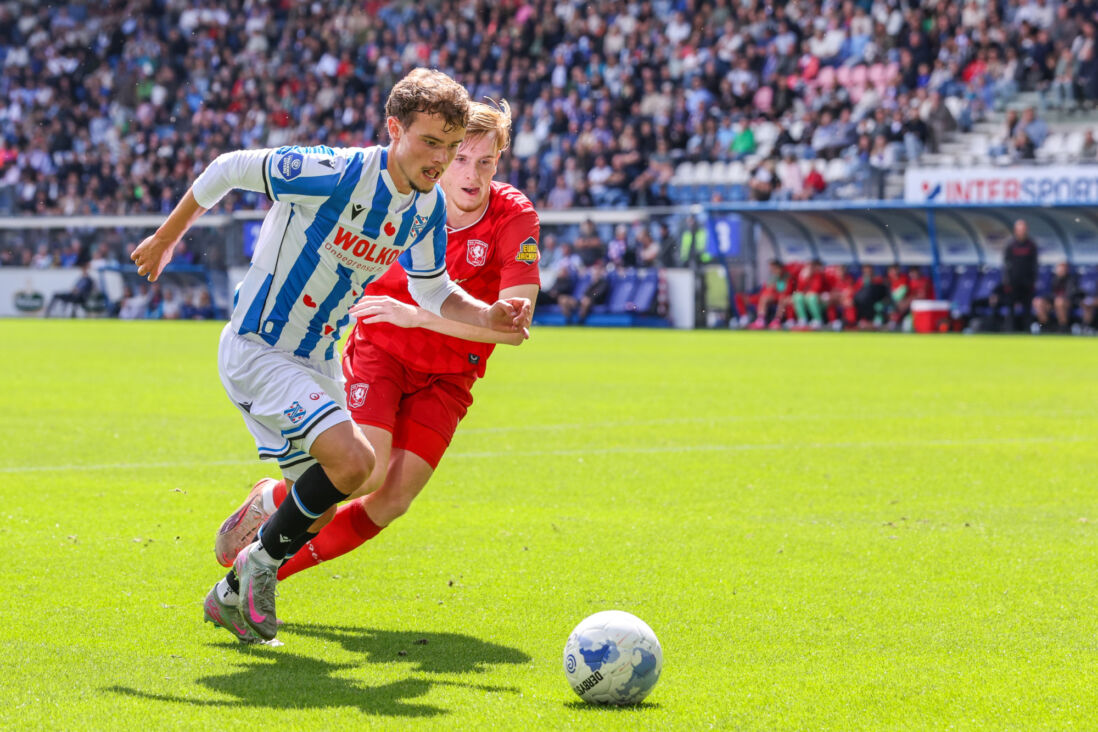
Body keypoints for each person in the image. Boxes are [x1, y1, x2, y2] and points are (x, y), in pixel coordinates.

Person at [130, 68, 531, 643]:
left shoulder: (424, 211)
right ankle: (251, 575)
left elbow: (435, 290)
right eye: (430, 142)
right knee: (353, 463)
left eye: (449, 145)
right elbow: (228, 168)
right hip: (259, 346)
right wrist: (168, 236)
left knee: (345, 485)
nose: (440, 160)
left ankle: (245, 557)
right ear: (394, 128)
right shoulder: (333, 172)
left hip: (316, 358)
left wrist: (487, 314)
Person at [990, 219, 1039, 332]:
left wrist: (1033, 281)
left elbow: (1034, 265)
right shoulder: (1011, 245)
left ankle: (1027, 331)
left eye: (1023, 229)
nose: (1021, 231)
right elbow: (1006, 265)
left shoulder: (1031, 245)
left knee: (1027, 309)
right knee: (1010, 308)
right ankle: (1010, 331)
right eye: (1019, 229)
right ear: (1015, 230)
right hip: (1013, 283)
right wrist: (1006, 282)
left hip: (1027, 283)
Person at [1031, 261, 1080, 333]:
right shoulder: (1052, 278)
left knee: (1059, 302)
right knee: (1038, 302)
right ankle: (1045, 326)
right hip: (1052, 301)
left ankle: (1063, 327)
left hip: (1067, 302)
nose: (1061, 271)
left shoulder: (1071, 279)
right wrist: (1049, 302)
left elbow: (1071, 294)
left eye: (1063, 269)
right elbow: (1047, 293)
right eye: (1059, 269)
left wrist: (1056, 299)